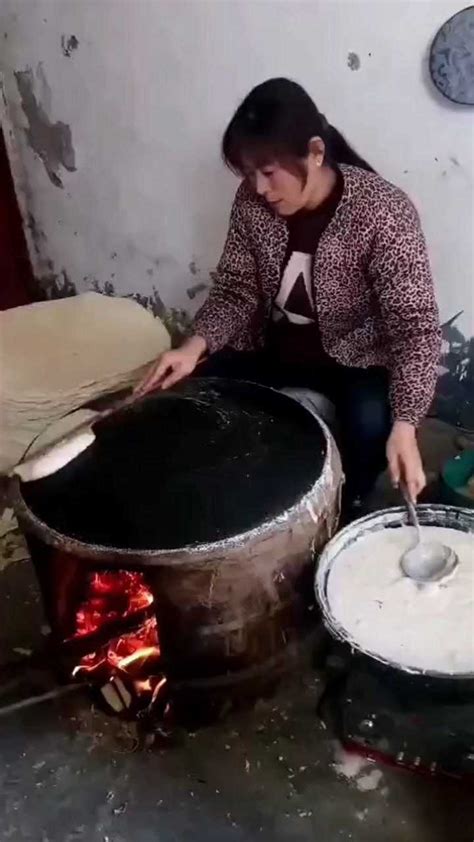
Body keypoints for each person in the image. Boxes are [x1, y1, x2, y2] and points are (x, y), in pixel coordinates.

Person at [139, 78, 441, 511]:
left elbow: (415, 328)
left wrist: (407, 425)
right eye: (248, 174)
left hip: (356, 361)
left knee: (373, 428)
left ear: (315, 153)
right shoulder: (251, 202)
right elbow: (236, 289)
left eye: (268, 172)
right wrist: (192, 347)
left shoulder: (382, 212)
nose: (259, 188)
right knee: (200, 395)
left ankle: (341, 506)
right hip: (276, 349)